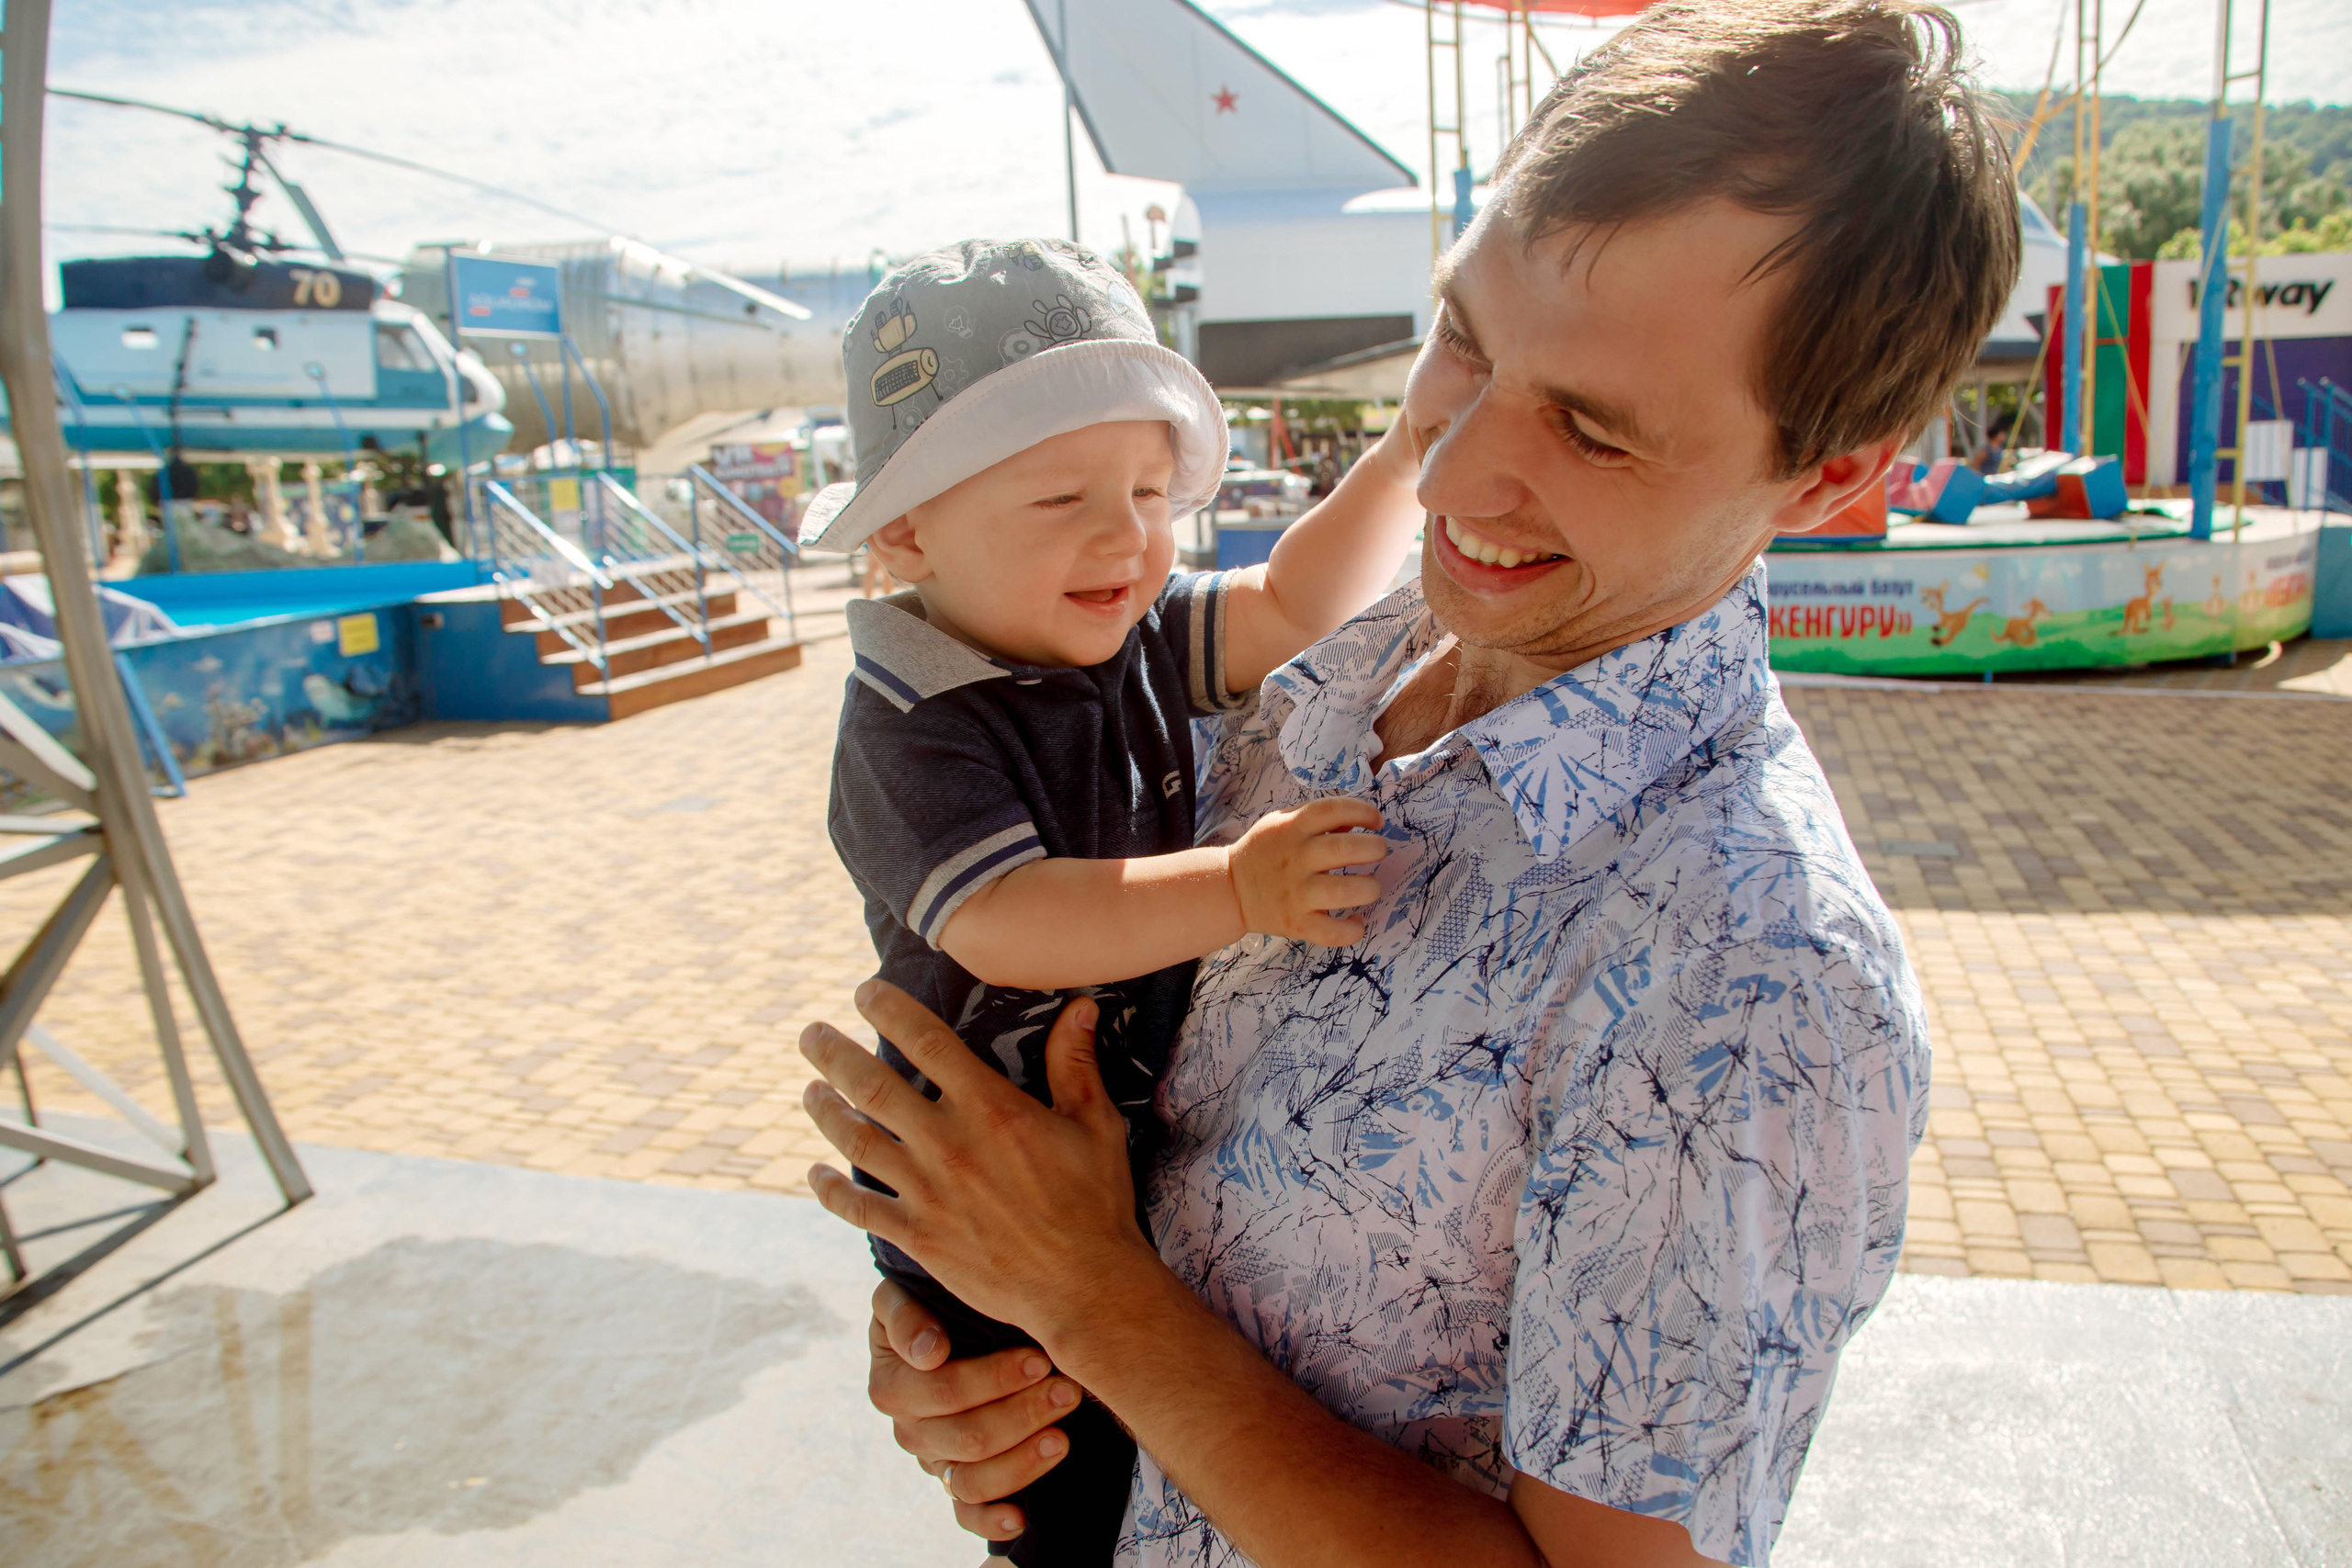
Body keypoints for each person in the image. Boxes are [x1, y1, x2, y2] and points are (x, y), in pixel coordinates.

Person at [801, 4, 2018, 1565]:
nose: (1447, 472)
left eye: (1591, 430)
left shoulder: (1755, 982)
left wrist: (1084, 1298)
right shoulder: (1335, 664)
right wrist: (973, 1347)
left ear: (1836, 472)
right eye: (1466, 341)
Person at [807, 237, 1424, 1566]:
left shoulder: (1127, 631)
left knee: (1171, 1450)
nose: (1127, 536)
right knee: (1059, 1488)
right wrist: (1238, 886)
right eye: (1060, 498)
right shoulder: (910, 715)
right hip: (982, 1178)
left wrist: (1399, 461)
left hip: (1111, 1161)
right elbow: (1010, 918)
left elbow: (1292, 600)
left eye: (1150, 491)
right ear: (906, 532)